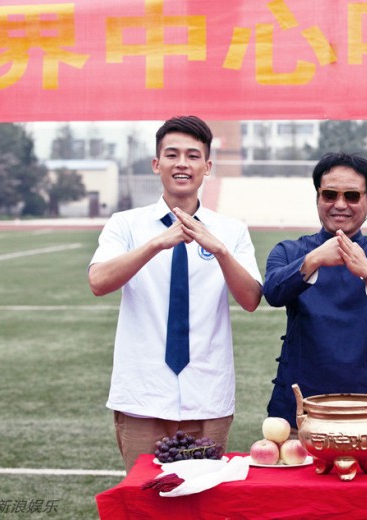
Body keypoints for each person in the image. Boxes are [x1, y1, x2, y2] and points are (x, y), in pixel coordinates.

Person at [88, 116, 262, 471]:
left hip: (207, 395)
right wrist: (156, 244)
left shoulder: (231, 231)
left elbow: (250, 300)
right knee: (143, 494)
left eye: (193, 156)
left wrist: (220, 251)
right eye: (172, 154)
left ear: (207, 166)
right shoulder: (126, 224)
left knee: (203, 494)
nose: (182, 163)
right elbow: (98, 282)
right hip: (142, 395)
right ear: (157, 164)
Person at [262, 152, 367, 427]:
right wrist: (313, 260)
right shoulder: (289, 251)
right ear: (318, 197)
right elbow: (273, 293)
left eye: (352, 196)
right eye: (330, 194)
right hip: (301, 408)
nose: (340, 204)